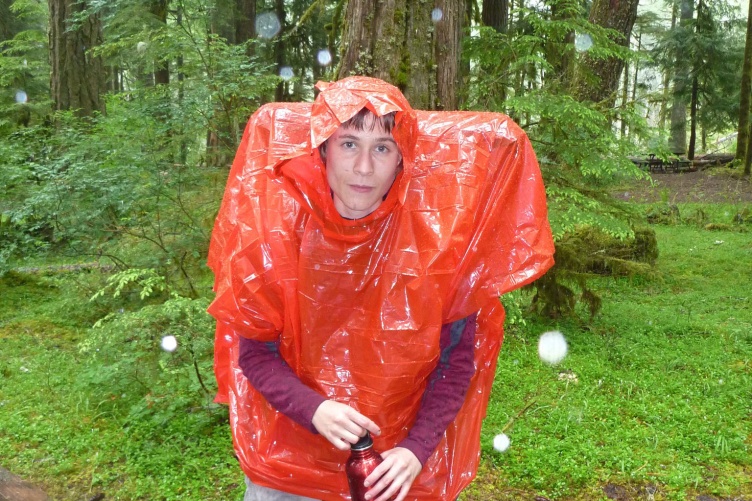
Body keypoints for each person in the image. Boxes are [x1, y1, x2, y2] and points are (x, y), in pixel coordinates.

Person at [207, 76, 554, 501]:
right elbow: (254, 353)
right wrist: (315, 409)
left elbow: (456, 364)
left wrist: (416, 450)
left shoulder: (439, 245)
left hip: (393, 467)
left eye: (383, 148)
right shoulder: (277, 236)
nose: (364, 167)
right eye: (349, 143)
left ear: (402, 161)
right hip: (288, 466)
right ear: (322, 150)